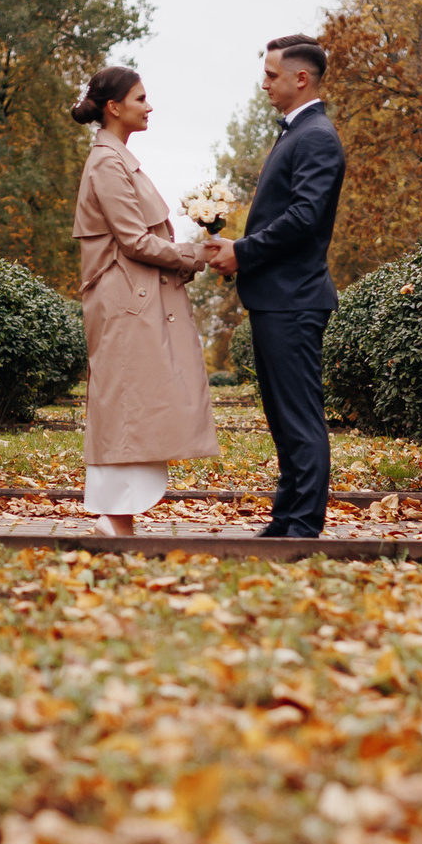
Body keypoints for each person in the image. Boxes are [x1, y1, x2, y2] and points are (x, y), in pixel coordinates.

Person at [205, 36, 345, 538]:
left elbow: (305, 217)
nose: (263, 83)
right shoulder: (298, 133)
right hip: (276, 298)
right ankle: (286, 519)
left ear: (299, 78)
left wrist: (242, 251)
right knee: (285, 420)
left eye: (270, 74)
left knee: (299, 419)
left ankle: (302, 528)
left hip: (294, 299)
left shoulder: (316, 136)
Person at [70, 66, 218, 537]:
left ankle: (120, 520)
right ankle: (113, 519)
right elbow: (134, 240)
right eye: (140, 98)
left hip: (132, 300)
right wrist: (194, 255)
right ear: (114, 108)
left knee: (136, 404)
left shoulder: (117, 160)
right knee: (126, 403)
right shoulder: (108, 164)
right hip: (125, 305)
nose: (148, 106)